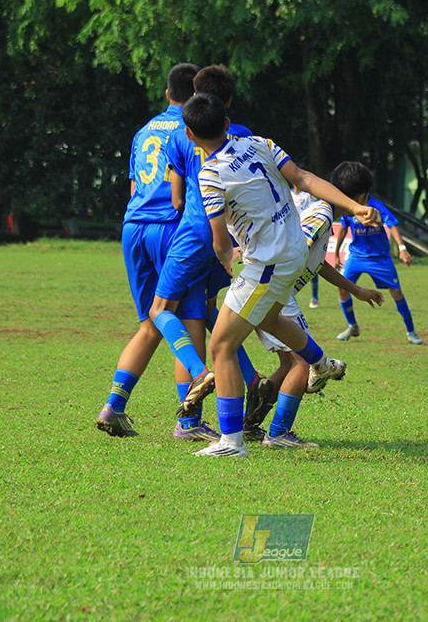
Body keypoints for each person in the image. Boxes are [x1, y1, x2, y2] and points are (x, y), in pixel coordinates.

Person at [182, 93, 381, 457]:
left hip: (266, 264)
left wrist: (230, 261)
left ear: (190, 136)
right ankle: (319, 362)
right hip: (291, 255)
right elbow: (303, 178)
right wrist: (355, 206)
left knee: (221, 346)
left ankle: (231, 441)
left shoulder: (209, 176)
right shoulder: (261, 143)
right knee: (271, 317)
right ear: (227, 124)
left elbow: (220, 240)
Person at [94, 63, 219, 441]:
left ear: (167, 94)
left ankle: (114, 406)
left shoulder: (144, 130)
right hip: (173, 229)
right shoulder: (193, 130)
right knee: (193, 320)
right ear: (198, 94)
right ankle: (189, 420)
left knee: (152, 322)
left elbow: (135, 188)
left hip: (134, 227)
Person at [146, 64, 263, 440]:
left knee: (159, 310)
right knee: (213, 312)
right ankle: (251, 380)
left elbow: (177, 196)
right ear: (227, 105)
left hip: (194, 232)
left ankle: (199, 373)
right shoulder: (245, 135)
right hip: (229, 240)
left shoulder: (181, 137)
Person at [242, 183, 385, 447]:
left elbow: (318, 263)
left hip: (267, 290)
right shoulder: (321, 214)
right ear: (361, 197)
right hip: (277, 292)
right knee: (303, 363)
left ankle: (249, 426)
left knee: (288, 364)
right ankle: (279, 434)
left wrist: (356, 290)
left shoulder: (318, 213)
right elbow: (296, 245)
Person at [333, 162, 422, 345]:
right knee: (342, 286)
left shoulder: (377, 206)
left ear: (362, 194)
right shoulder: (349, 208)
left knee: (396, 292)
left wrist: (402, 249)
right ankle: (352, 326)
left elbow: (393, 225)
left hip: (380, 258)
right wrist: (335, 254)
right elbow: (342, 230)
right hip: (356, 256)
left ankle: (411, 331)